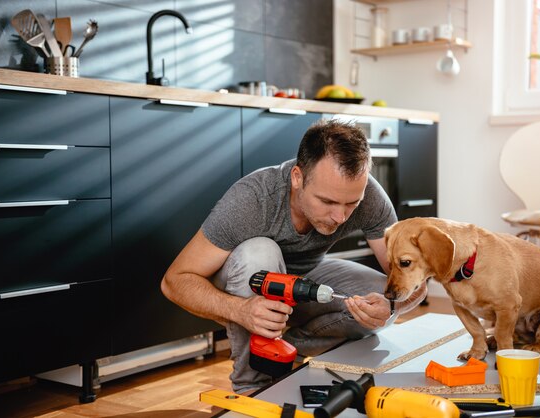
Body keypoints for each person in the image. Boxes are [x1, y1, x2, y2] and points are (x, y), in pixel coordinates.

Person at [161, 119, 427, 393]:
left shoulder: (369, 197)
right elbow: (174, 281)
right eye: (327, 201)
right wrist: (239, 310)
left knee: (382, 295)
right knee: (259, 251)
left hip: (306, 276)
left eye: (351, 204)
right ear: (297, 177)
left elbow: (414, 278)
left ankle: (290, 352)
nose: (340, 216)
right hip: (246, 284)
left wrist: (394, 307)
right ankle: (253, 386)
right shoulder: (252, 199)